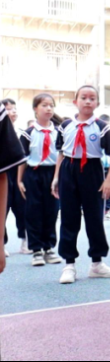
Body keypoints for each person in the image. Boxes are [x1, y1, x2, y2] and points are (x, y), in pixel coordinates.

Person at [54, 86, 110, 285]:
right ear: (75, 101)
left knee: (94, 218)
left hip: (92, 170)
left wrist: (109, 179)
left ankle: (97, 264)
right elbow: (61, 152)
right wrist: (56, 176)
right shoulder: (65, 125)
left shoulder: (102, 127)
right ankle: (69, 265)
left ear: (97, 104)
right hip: (68, 168)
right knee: (68, 217)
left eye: (92, 98)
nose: (87, 101)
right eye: (83, 97)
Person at [19, 94, 63, 267]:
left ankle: (49, 247)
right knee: (33, 211)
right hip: (33, 173)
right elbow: (22, 158)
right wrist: (20, 180)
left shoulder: (58, 132)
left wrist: (57, 177)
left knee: (51, 211)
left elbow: (61, 155)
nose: (49, 108)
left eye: (51, 105)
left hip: (53, 172)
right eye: (44, 105)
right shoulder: (28, 133)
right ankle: (36, 249)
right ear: (35, 109)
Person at [1, 102, 27, 272]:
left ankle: (24, 239)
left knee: (22, 209)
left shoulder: (21, 133)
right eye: (9, 108)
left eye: (14, 108)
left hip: (16, 173)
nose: (12, 111)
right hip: (7, 173)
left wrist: (20, 180)